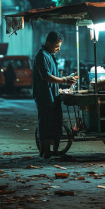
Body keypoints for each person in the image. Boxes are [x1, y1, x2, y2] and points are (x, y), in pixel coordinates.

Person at [33, 30, 76, 158]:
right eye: (56, 46)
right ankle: (45, 152)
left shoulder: (51, 55)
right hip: (44, 96)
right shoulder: (42, 56)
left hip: (53, 95)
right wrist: (64, 80)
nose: (58, 49)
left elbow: (54, 77)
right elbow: (46, 77)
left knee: (55, 123)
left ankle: (49, 151)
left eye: (59, 47)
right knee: (45, 123)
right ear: (48, 43)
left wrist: (62, 84)